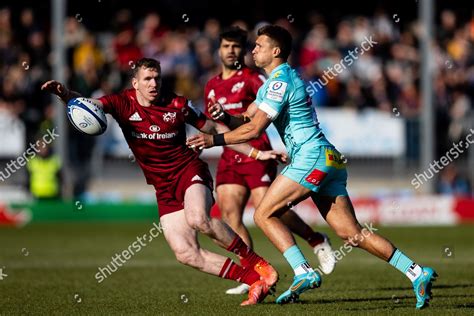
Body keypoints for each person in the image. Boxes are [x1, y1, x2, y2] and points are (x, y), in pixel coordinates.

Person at [187, 25, 437, 308]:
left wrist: (213, 139)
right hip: (328, 157)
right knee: (351, 233)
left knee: (263, 214)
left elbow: (255, 131)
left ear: (275, 51)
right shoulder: (274, 82)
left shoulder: (279, 81)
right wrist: (226, 117)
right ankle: (417, 272)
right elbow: (246, 120)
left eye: (259, 45)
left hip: (311, 155)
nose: (252, 49)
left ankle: (303, 271)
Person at [41, 58, 285, 306]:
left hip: (189, 171)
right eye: (147, 79)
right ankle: (254, 279)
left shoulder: (177, 104)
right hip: (163, 186)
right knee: (186, 253)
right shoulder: (121, 102)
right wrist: (66, 96)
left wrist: (257, 153)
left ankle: (259, 264)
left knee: (198, 218)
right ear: (135, 83)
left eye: (157, 78)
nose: (154, 83)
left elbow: (212, 128)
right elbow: (89, 106)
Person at [205, 26, 336, 295]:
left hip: (257, 153)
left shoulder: (259, 79)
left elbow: (255, 125)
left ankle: (314, 240)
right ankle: (253, 273)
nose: (232, 51)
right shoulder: (212, 85)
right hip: (231, 156)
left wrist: (217, 140)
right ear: (218, 49)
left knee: (269, 209)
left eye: (237, 46)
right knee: (231, 215)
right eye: (225, 46)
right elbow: (240, 119)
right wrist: (219, 119)